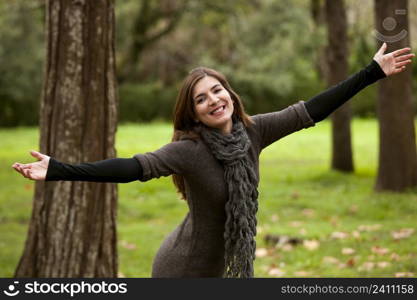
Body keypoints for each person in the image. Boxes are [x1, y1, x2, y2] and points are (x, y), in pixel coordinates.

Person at [12, 43, 414, 278]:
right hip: (181, 271)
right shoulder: (189, 151)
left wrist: (371, 73)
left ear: (230, 94)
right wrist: (60, 169)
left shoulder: (253, 131)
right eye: (201, 98)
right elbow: (133, 168)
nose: (213, 100)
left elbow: (311, 110)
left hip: (221, 271)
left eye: (217, 90)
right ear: (193, 113)